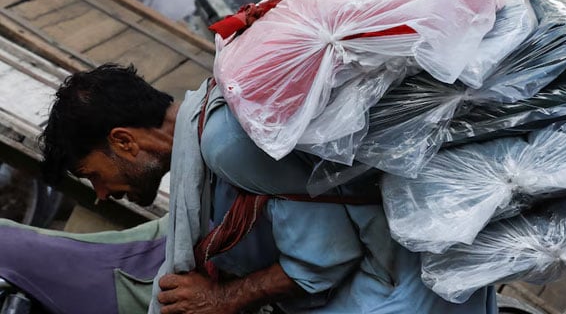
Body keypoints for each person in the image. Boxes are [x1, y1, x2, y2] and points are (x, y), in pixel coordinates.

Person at [41, 63, 497, 313]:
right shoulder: (207, 131)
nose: (101, 193)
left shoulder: (224, 143)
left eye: (93, 174)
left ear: (124, 140)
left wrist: (220, 298)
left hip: (396, 297)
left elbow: (325, 258)